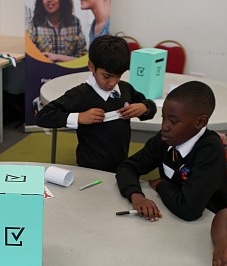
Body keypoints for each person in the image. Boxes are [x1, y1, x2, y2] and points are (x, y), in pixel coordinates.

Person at [35, 34, 156, 172]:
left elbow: (149, 107)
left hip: (120, 162)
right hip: (90, 167)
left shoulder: (125, 88)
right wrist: (79, 117)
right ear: (91, 66)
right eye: (107, 76)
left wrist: (144, 107)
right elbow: (43, 116)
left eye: (118, 76)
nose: (113, 82)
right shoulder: (80, 94)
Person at [115, 81, 227, 221]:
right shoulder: (165, 139)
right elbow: (127, 167)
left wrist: (161, 185)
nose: (165, 126)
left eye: (173, 121)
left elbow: (189, 209)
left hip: (208, 225)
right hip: (170, 216)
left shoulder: (210, 152)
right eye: (164, 118)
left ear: (200, 122)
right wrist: (137, 196)